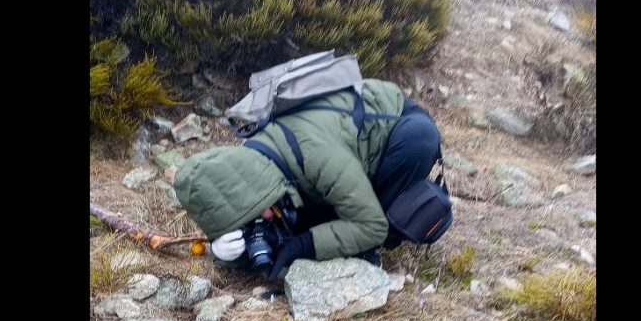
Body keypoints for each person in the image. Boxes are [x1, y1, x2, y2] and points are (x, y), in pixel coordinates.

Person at [173, 78, 443, 281]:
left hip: (402, 131)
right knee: (299, 215)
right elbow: (236, 209)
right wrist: (225, 247)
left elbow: (371, 225)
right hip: (331, 146)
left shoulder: (319, 158)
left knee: (357, 220)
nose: (263, 217)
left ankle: (368, 249)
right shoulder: (250, 161)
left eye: (256, 211)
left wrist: (303, 245)